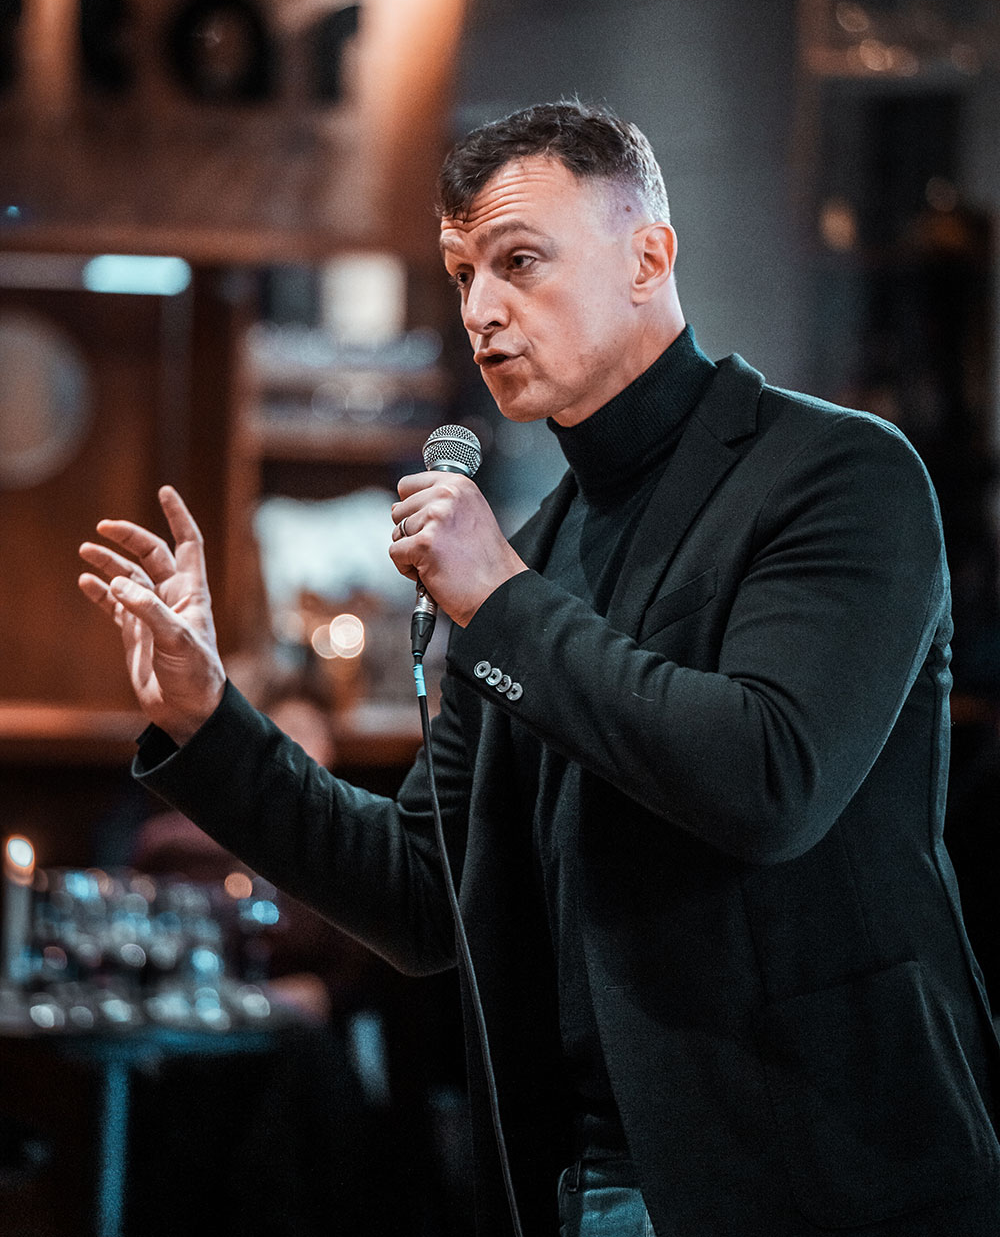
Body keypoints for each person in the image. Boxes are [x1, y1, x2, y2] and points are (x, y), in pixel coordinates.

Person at [79, 101, 1000, 1237]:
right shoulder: (538, 548)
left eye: (518, 262)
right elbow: (423, 892)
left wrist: (502, 604)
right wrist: (210, 720)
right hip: (588, 1176)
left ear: (648, 256)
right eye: (462, 275)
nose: (480, 310)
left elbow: (770, 779)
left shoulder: (837, 473)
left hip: (824, 1167)